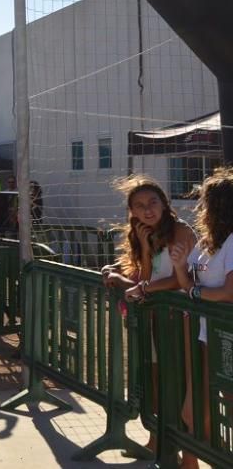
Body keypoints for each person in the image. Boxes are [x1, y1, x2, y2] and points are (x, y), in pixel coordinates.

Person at [101, 175, 194, 455]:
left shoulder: (181, 230)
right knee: (153, 379)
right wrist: (136, 255)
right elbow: (145, 278)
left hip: (180, 320)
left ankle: (181, 448)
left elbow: (182, 280)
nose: (147, 209)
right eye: (139, 205)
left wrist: (142, 288)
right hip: (154, 318)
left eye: (153, 202)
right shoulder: (143, 233)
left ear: (165, 204)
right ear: (132, 211)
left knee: (176, 382)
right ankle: (156, 440)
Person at [171, 166, 233, 468]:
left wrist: (195, 295)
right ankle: (193, 460)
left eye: (206, 201)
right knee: (196, 406)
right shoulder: (207, 243)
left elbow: (226, 292)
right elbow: (189, 285)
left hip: (224, 333)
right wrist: (181, 267)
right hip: (205, 333)